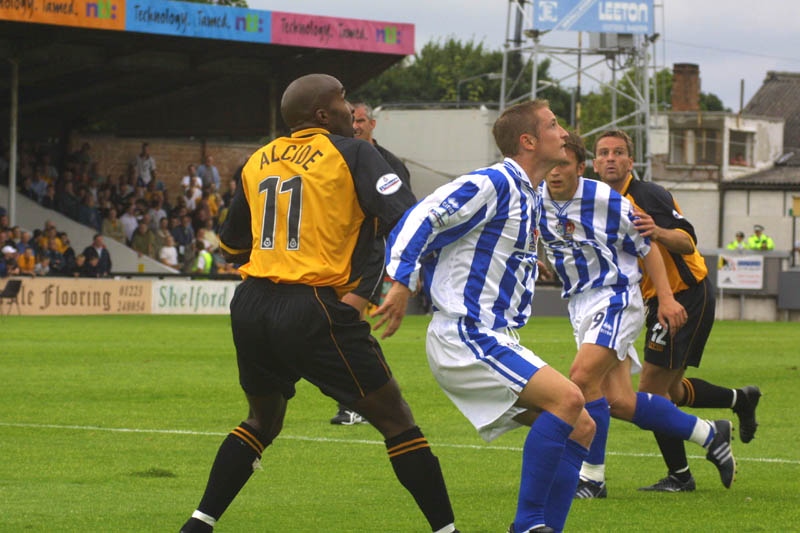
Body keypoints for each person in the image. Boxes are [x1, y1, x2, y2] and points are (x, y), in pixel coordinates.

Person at [179, 73, 459, 533]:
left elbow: (232, 246)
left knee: (262, 420)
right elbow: (407, 219)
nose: (353, 111)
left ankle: (198, 525)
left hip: (250, 304)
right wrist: (402, 278)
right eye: (345, 101)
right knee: (397, 419)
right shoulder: (354, 152)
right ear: (323, 115)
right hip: (311, 305)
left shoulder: (257, 159)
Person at [382, 100, 595, 533]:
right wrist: (402, 280)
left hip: (494, 336)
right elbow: (422, 215)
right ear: (528, 141)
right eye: (554, 125)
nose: (564, 132)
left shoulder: (531, 193)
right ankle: (528, 525)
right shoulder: (494, 182)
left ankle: (545, 528)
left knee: (582, 426)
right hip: (467, 334)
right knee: (569, 399)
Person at [539, 132, 737, 500]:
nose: (554, 171)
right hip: (580, 304)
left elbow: (651, 248)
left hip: (618, 296)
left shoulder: (610, 200)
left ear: (581, 168)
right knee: (620, 402)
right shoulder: (536, 199)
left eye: (563, 164)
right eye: (550, 164)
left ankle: (592, 479)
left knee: (582, 377)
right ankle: (709, 433)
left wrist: (665, 298)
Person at [593, 129, 759, 494]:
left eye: (618, 152)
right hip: (658, 299)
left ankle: (682, 475)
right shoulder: (599, 199)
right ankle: (739, 399)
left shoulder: (648, 195)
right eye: (603, 152)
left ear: (630, 162)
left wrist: (657, 231)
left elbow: (687, 240)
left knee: (651, 391)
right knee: (670, 391)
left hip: (685, 294)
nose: (610, 158)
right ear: (594, 162)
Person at [330, 101, 416, 426]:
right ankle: (369, 401)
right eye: (351, 120)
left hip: (370, 258)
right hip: (336, 258)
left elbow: (406, 214)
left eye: (361, 120)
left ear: (373, 124)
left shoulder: (389, 163)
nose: (356, 126)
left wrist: (401, 267)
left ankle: (360, 403)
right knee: (342, 332)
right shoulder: (337, 157)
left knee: (348, 330)